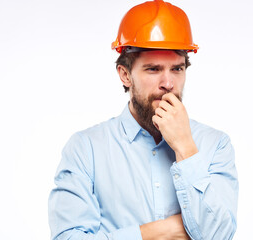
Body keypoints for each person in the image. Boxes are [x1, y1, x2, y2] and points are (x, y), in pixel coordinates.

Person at [48, 0, 239, 239]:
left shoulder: (215, 145)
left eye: (177, 69)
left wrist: (186, 149)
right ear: (125, 75)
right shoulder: (85, 149)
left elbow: (219, 235)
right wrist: (163, 231)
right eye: (153, 69)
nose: (168, 84)